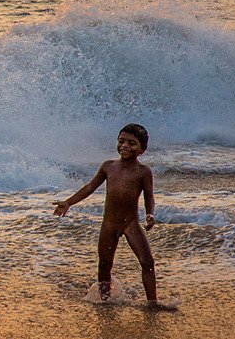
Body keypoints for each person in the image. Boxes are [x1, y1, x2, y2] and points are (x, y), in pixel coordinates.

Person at [53, 123, 172, 309]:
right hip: (109, 224)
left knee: (147, 262)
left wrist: (150, 214)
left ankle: (152, 303)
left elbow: (149, 195)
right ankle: (105, 300)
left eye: (132, 143)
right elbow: (89, 187)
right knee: (104, 265)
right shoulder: (108, 167)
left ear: (142, 150)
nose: (125, 146)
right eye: (121, 141)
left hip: (131, 224)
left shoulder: (143, 172)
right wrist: (69, 202)